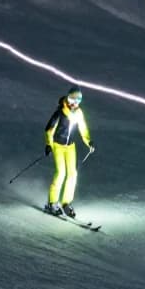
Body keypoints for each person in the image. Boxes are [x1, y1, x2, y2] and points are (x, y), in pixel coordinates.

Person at [43, 86, 94, 217]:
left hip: (70, 146)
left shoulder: (78, 113)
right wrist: (48, 144)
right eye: (72, 99)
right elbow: (49, 129)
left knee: (72, 174)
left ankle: (66, 203)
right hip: (58, 145)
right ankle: (52, 203)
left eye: (78, 100)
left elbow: (83, 128)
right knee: (61, 173)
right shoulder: (60, 112)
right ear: (67, 98)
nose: (74, 103)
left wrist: (88, 142)